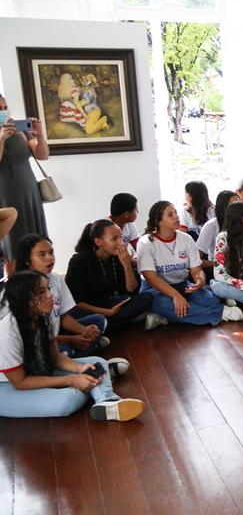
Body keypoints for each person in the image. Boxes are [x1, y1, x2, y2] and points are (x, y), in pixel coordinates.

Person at [0, 271, 144, 421]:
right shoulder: (7, 333)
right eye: (41, 292)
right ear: (23, 298)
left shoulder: (44, 316)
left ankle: (107, 401)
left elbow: (55, 356)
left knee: (97, 363)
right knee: (70, 398)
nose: (50, 295)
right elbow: (20, 382)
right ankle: (98, 385)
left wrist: (80, 369)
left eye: (48, 288)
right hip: (7, 386)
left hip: (37, 370)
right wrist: (71, 380)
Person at [136, 201, 243, 328]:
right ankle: (219, 313)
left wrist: (200, 281)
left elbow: (196, 270)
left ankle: (165, 317)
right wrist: (175, 295)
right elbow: (152, 279)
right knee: (162, 304)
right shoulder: (145, 243)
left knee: (210, 300)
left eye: (176, 212)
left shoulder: (186, 239)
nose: (176, 217)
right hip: (155, 290)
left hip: (183, 285)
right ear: (158, 221)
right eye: (170, 215)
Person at [15, 234, 108, 358]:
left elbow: (62, 316)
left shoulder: (55, 278)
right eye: (42, 254)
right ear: (27, 260)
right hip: (38, 342)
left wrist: (84, 331)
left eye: (51, 252)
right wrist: (72, 339)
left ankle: (77, 357)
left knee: (98, 322)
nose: (50, 258)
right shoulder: (19, 287)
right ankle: (77, 357)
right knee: (62, 352)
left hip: (56, 333)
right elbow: (35, 336)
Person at [65, 220, 153, 332]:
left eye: (121, 238)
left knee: (146, 297)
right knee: (94, 318)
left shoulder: (115, 257)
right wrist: (108, 312)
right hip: (86, 309)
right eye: (114, 239)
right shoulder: (79, 262)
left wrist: (127, 265)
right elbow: (76, 303)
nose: (120, 243)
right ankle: (102, 326)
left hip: (109, 303)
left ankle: (102, 328)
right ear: (98, 242)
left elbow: (131, 290)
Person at [0, 93, 49, 278]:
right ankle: (14, 285)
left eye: (5, 107)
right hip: (5, 195)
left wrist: (40, 135)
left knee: (36, 240)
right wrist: (1, 138)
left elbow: (42, 155)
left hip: (29, 192)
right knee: (11, 244)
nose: (3, 111)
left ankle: (40, 282)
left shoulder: (18, 128)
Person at [197, 190, 240, 280]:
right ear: (222, 208)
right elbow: (196, 259)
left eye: (239, 204)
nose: (238, 208)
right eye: (233, 204)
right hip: (219, 271)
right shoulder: (211, 226)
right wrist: (218, 264)